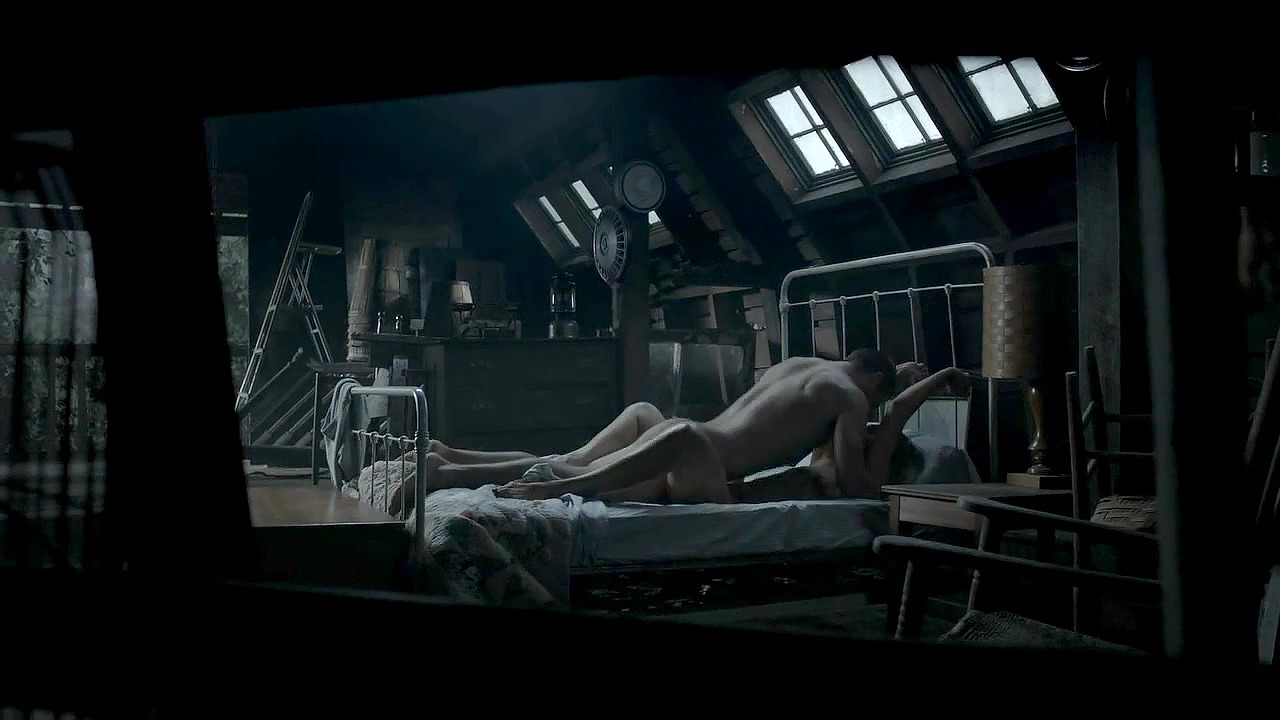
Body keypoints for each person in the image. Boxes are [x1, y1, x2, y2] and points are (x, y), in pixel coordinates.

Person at [488, 349, 968, 504]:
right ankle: (558, 482)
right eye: (873, 407)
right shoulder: (849, 399)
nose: (869, 418)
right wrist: (917, 384)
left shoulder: (802, 366)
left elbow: (890, 415)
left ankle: (556, 480)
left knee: (653, 428)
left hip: (696, 453)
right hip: (700, 462)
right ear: (875, 382)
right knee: (590, 465)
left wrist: (913, 380)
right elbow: (884, 422)